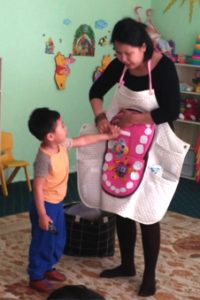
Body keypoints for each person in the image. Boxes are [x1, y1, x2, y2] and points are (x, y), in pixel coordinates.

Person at [89, 18, 180, 297]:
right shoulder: (120, 65)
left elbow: (171, 110)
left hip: (152, 147)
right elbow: (95, 92)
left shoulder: (164, 69)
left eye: (128, 53)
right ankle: (127, 265)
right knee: (122, 204)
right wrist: (101, 117)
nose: (122, 58)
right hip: (124, 148)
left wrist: (135, 118)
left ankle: (149, 276)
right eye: (118, 52)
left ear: (144, 46)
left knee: (148, 211)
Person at [27, 107, 120, 293]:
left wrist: (106, 137)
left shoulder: (61, 145)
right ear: (50, 136)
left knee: (58, 238)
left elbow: (83, 140)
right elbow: (37, 188)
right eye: (62, 126)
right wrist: (43, 215)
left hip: (56, 204)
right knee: (43, 240)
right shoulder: (44, 159)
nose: (66, 127)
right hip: (45, 206)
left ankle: (48, 267)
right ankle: (36, 275)